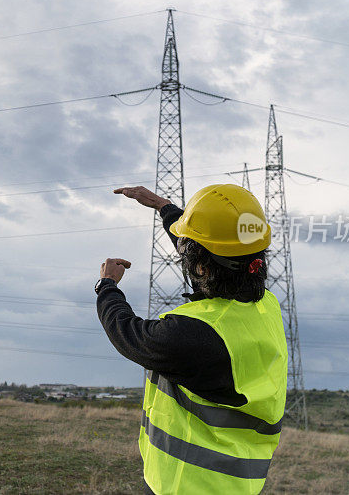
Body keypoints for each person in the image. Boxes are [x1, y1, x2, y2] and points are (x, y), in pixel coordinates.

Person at [95, 184, 287, 495]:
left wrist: (106, 286)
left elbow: (126, 332)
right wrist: (164, 207)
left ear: (199, 267)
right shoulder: (265, 305)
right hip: (239, 484)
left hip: (186, 485)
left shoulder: (193, 335)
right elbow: (209, 256)